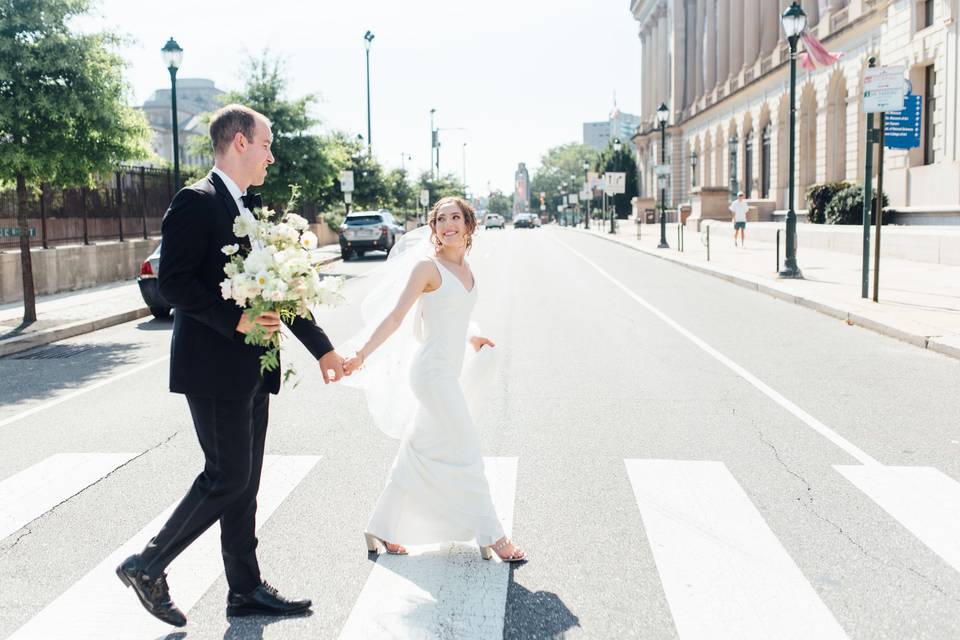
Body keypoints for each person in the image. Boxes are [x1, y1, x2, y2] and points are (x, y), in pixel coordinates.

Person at [115, 104, 347, 627]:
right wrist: (236, 321)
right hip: (212, 367)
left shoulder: (253, 206)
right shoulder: (194, 203)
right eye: (266, 144)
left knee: (245, 483)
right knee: (227, 477)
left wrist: (324, 349)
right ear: (239, 142)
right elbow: (171, 283)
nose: (271, 155)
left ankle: (244, 589)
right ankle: (147, 564)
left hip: (252, 371)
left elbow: (281, 289)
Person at [342, 196, 525, 563]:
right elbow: (396, 318)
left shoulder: (468, 269)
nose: (448, 225)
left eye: (455, 217)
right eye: (441, 219)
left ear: (470, 225)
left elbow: (450, 316)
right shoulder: (427, 268)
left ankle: (382, 526)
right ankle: (494, 535)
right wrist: (361, 354)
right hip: (431, 374)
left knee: (418, 451)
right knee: (468, 449)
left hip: (447, 371)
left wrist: (472, 337)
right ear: (434, 228)